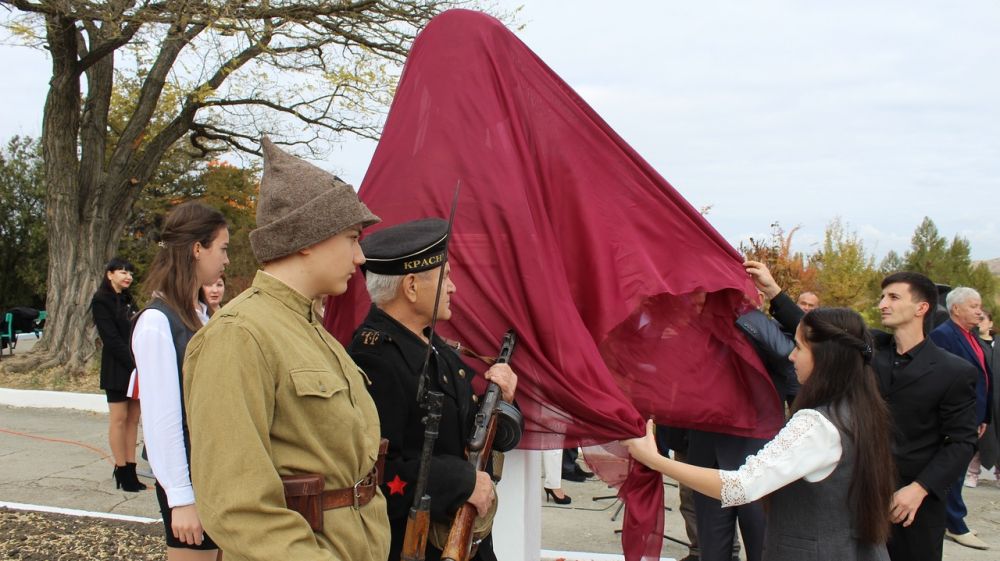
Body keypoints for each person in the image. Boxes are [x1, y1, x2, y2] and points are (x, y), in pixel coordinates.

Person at [182, 138, 389, 561]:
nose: (360, 255)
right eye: (352, 237)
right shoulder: (240, 335)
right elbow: (238, 506)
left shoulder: (310, 329)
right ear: (307, 238)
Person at [745, 261, 978, 561]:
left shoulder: (954, 370)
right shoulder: (870, 350)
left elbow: (961, 442)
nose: (883, 304)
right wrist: (773, 290)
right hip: (858, 497)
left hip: (912, 503)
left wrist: (920, 489)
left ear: (922, 307)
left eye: (893, 297)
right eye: (882, 296)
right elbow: (814, 331)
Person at [624, 307, 896, 561]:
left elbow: (741, 486)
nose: (791, 356)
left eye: (799, 348)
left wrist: (655, 460)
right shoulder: (860, 410)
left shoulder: (817, 424)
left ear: (825, 357)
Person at [347, 217, 518, 561]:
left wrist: (503, 400)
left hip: (462, 538)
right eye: (446, 276)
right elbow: (373, 474)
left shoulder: (430, 344)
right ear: (411, 287)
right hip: (414, 545)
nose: (453, 287)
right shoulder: (375, 359)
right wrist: (461, 482)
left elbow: (472, 430)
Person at [131, 202, 229, 560]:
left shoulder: (200, 314)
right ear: (197, 249)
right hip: (188, 477)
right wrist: (181, 498)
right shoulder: (157, 322)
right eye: (223, 248)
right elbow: (162, 421)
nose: (226, 260)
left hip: (211, 471)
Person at [928, 287, 992, 549]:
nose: (979, 311)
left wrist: (984, 415)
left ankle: (954, 519)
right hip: (956, 416)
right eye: (973, 306)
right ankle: (955, 524)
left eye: (980, 306)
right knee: (953, 468)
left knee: (960, 468)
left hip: (974, 414)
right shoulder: (943, 336)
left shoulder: (971, 336)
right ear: (955, 309)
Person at [91, 257, 145, 492]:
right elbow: (110, 337)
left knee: (134, 418)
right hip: (117, 367)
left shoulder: (128, 299)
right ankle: (121, 468)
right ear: (109, 274)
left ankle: (131, 468)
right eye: (122, 272)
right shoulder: (101, 300)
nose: (127, 276)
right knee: (119, 418)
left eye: (130, 273)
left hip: (136, 366)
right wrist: (133, 364)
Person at [978, 311, 1000, 481]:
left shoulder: (997, 344)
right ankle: (973, 472)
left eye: (982, 319)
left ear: (990, 323)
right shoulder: (974, 344)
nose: (979, 323)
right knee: (983, 436)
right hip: (984, 396)